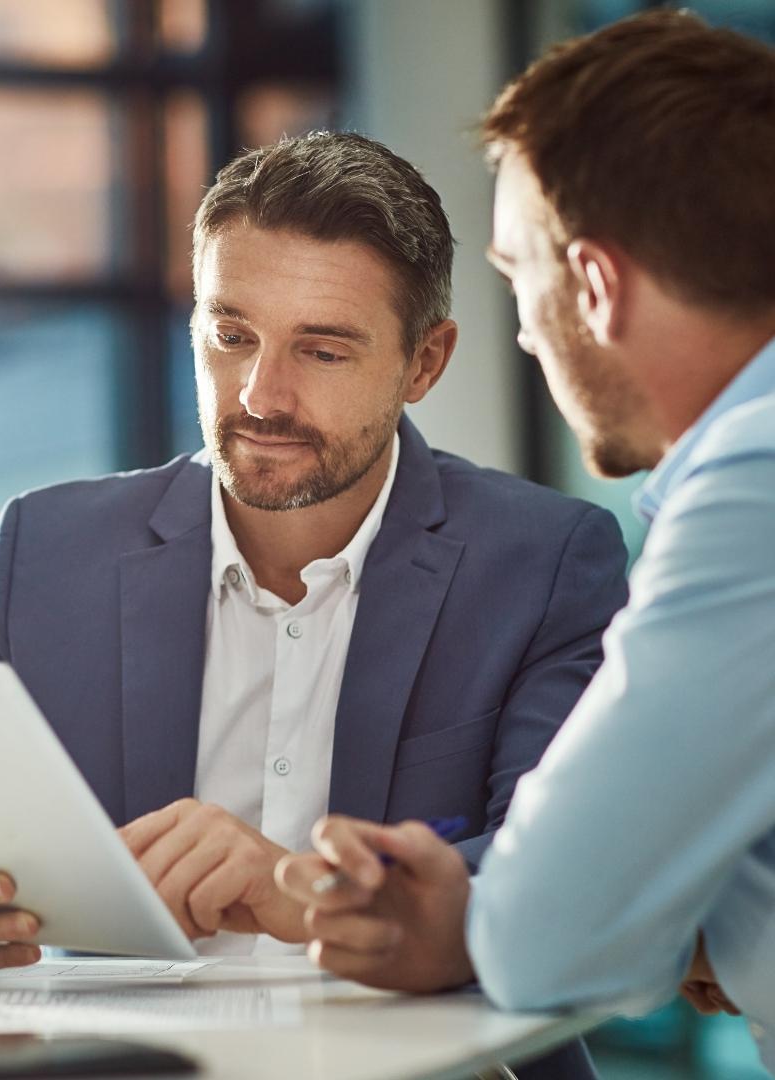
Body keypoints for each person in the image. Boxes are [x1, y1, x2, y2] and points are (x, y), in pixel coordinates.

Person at [0, 131, 625, 1076]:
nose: (262, 394)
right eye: (231, 336)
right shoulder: (52, 554)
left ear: (424, 364)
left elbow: (560, 878)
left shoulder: (544, 561)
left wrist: (299, 890)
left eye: (323, 350)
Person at [276, 10, 775, 1073]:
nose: (521, 331)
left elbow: (553, 936)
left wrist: (470, 917)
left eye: (518, 279)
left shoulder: (756, 483)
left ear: (593, 286)